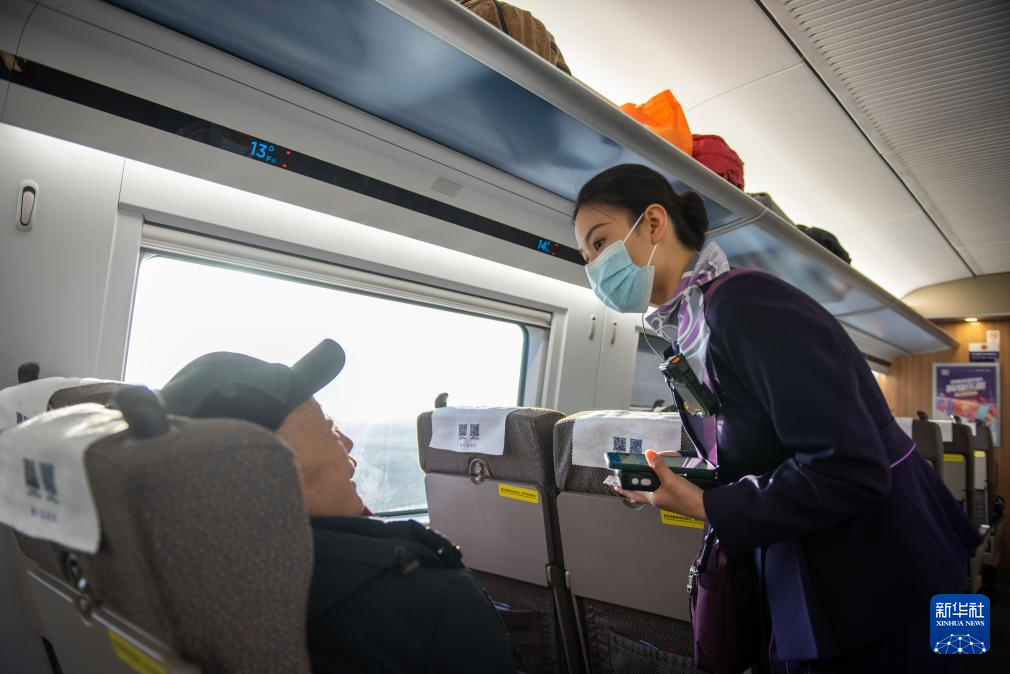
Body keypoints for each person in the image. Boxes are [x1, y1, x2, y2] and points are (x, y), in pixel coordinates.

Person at [572, 163, 980, 673]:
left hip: (886, 571)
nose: (594, 266)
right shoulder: (693, 322)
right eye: (586, 256)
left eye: (599, 242)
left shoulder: (746, 303)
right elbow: (760, 438)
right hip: (854, 564)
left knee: (958, 660)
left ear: (654, 223)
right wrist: (687, 472)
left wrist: (705, 504)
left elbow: (850, 468)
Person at [159, 340, 522, 674]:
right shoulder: (430, 600)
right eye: (329, 428)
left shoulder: (176, 584)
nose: (348, 443)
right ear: (269, 465)